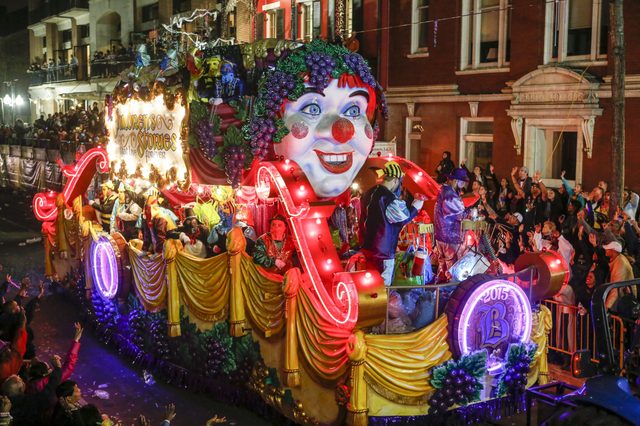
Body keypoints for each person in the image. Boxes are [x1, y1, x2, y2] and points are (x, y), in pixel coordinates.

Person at [360, 161, 424, 285]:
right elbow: (403, 218)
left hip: (366, 249)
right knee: (382, 289)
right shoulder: (388, 199)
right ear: (395, 180)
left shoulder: (368, 193)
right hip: (382, 253)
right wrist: (416, 207)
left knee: (368, 287)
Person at [433, 167, 469, 281]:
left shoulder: (445, 191)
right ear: (455, 181)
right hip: (450, 237)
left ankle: (439, 293)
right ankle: (449, 293)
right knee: (451, 268)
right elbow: (459, 212)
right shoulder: (449, 194)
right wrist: (468, 213)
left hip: (442, 235)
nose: (463, 185)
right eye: (462, 182)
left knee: (442, 266)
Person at [603, 240, 635, 311]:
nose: (606, 250)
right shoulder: (616, 260)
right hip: (621, 300)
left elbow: (615, 287)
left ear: (613, 251)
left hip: (624, 302)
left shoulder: (620, 263)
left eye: (608, 249)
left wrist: (606, 307)